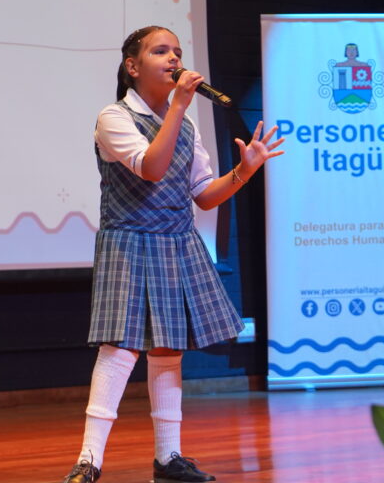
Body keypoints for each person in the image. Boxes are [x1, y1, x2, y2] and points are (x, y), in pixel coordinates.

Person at [61, 25, 285, 483]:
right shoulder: (114, 117)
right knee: (120, 348)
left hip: (176, 240)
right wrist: (180, 106)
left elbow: (203, 194)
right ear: (132, 66)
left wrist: (243, 171)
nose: (173, 58)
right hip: (129, 240)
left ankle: (168, 458)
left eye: (177, 52)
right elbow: (152, 168)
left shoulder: (184, 123)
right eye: (160, 51)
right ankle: (89, 460)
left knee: (168, 350)